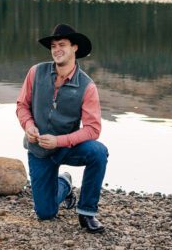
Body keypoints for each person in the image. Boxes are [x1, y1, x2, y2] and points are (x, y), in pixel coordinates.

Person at [16, 23, 109, 233]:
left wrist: (60, 141)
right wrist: (29, 126)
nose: (57, 49)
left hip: (66, 147)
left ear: (74, 47)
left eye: (62, 45)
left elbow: (93, 129)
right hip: (39, 150)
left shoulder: (87, 86)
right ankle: (64, 184)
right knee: (45, 213)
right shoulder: (36, 72)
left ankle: (87, 212)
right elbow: (22, 106)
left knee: (98, 152)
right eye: (53, 45)